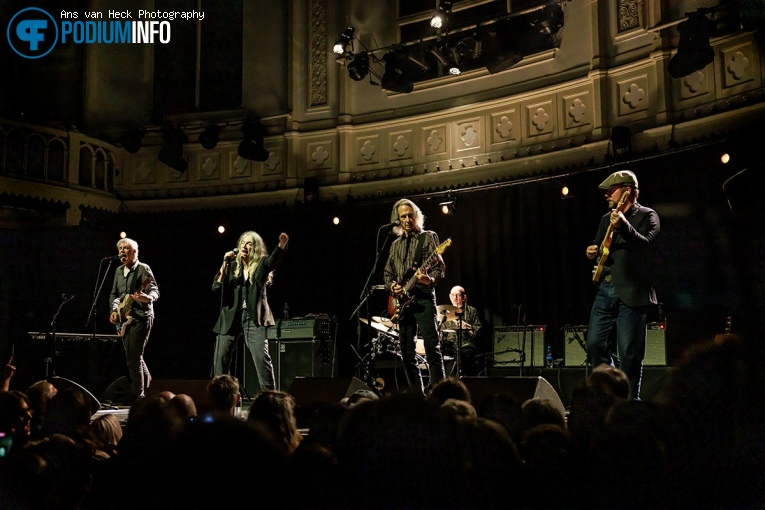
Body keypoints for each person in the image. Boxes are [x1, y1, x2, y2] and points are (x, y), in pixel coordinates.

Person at [585, 170, 660, 400]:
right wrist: (593, 251)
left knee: (629, 351)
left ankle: (628, 403)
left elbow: (648, 246)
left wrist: (625, 226)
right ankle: (609, 393)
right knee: (594, 344)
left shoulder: (648, 215)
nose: (607, 195)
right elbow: (600, 249)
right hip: (605, 290)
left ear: (628, 192)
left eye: (611, 190)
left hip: (632, 290)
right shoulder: (605, 219)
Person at [212, 231, 289, 393]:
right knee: (220, 359)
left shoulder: (261, 264)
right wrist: (224, 263)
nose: (244, 246)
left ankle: (271, 398)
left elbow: (271, 262)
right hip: (230, 317)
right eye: (242, 243)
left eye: (249, 244)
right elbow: (216, 287)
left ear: (255, 248)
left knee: (262, 358)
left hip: (253, 317)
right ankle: (222, 399)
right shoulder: (232, 266)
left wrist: (281, 246)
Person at [383, 198, 446, 396]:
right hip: (402, 303)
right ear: (398, 220)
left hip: (424, 298)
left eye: (410, 215)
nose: (407, 220)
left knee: (432, 348)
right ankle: (417, 396)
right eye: (403, 217)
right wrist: (392, 286)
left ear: (416, 216)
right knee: (407, 353)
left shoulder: (428, 237)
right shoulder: (394, 245)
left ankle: (439, 395)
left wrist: (428, 279)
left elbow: (440, 269)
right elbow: (387, 274)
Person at [109, 237, 159, 404]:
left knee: (133, 358)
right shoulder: (118, 271)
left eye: (126, 248)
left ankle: (138, 395)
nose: (122, 251)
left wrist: (147, 298)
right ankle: (148, 382)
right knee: (134, 356)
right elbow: (114, 294)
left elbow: (155, 291)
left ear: (135, 252)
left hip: (142, 317)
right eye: (120, 248)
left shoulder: (143, 269)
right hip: (124, 319)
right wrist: (115, 309)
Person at [441, 285, 484, 376]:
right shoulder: (444, 313)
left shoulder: (471, 311)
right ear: (449, 296)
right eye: (453, 295)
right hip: (449, 346)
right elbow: (441, 333)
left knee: (462, 354)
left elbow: (477, 332)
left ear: (464, 297)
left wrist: (467, 327)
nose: (455, 298)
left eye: (458, 295)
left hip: (466, 346)